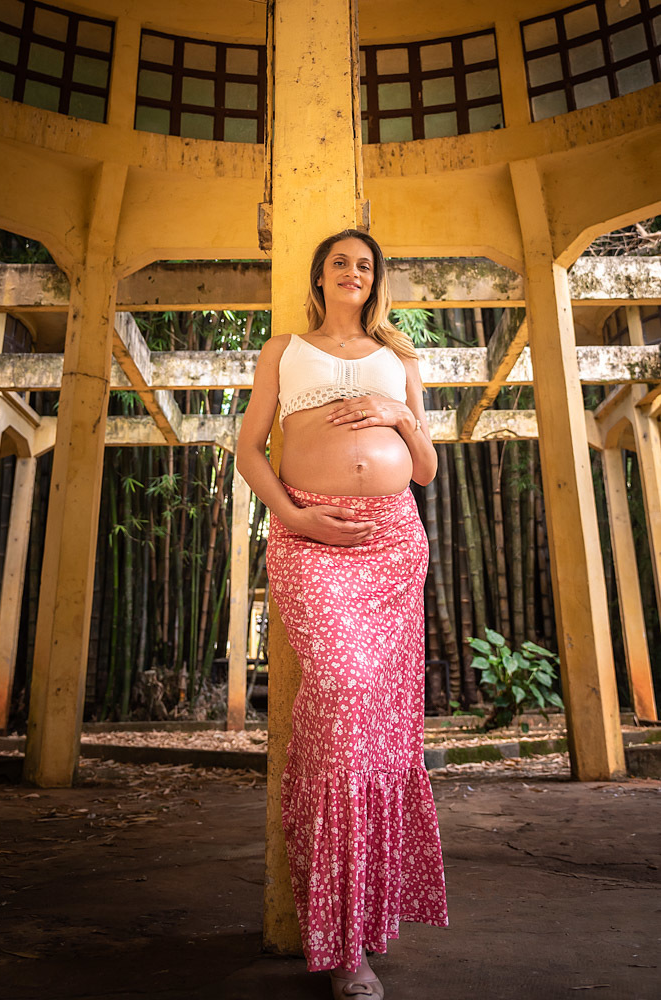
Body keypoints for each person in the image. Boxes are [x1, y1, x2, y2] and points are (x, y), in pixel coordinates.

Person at [236, 230, 448, 998]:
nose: (352, 272)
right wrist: (294, 518)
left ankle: (362, 930)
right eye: (339, 263)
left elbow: (425, 468)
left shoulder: (401, 358)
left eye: (365, 264)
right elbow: (249, 448)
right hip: (311, 537)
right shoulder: (283, 349)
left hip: (392, 542)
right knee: (342, 693)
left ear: (376, 279)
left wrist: (398, 410)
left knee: (379, 728)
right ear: (320, 277)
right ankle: (339, 933)